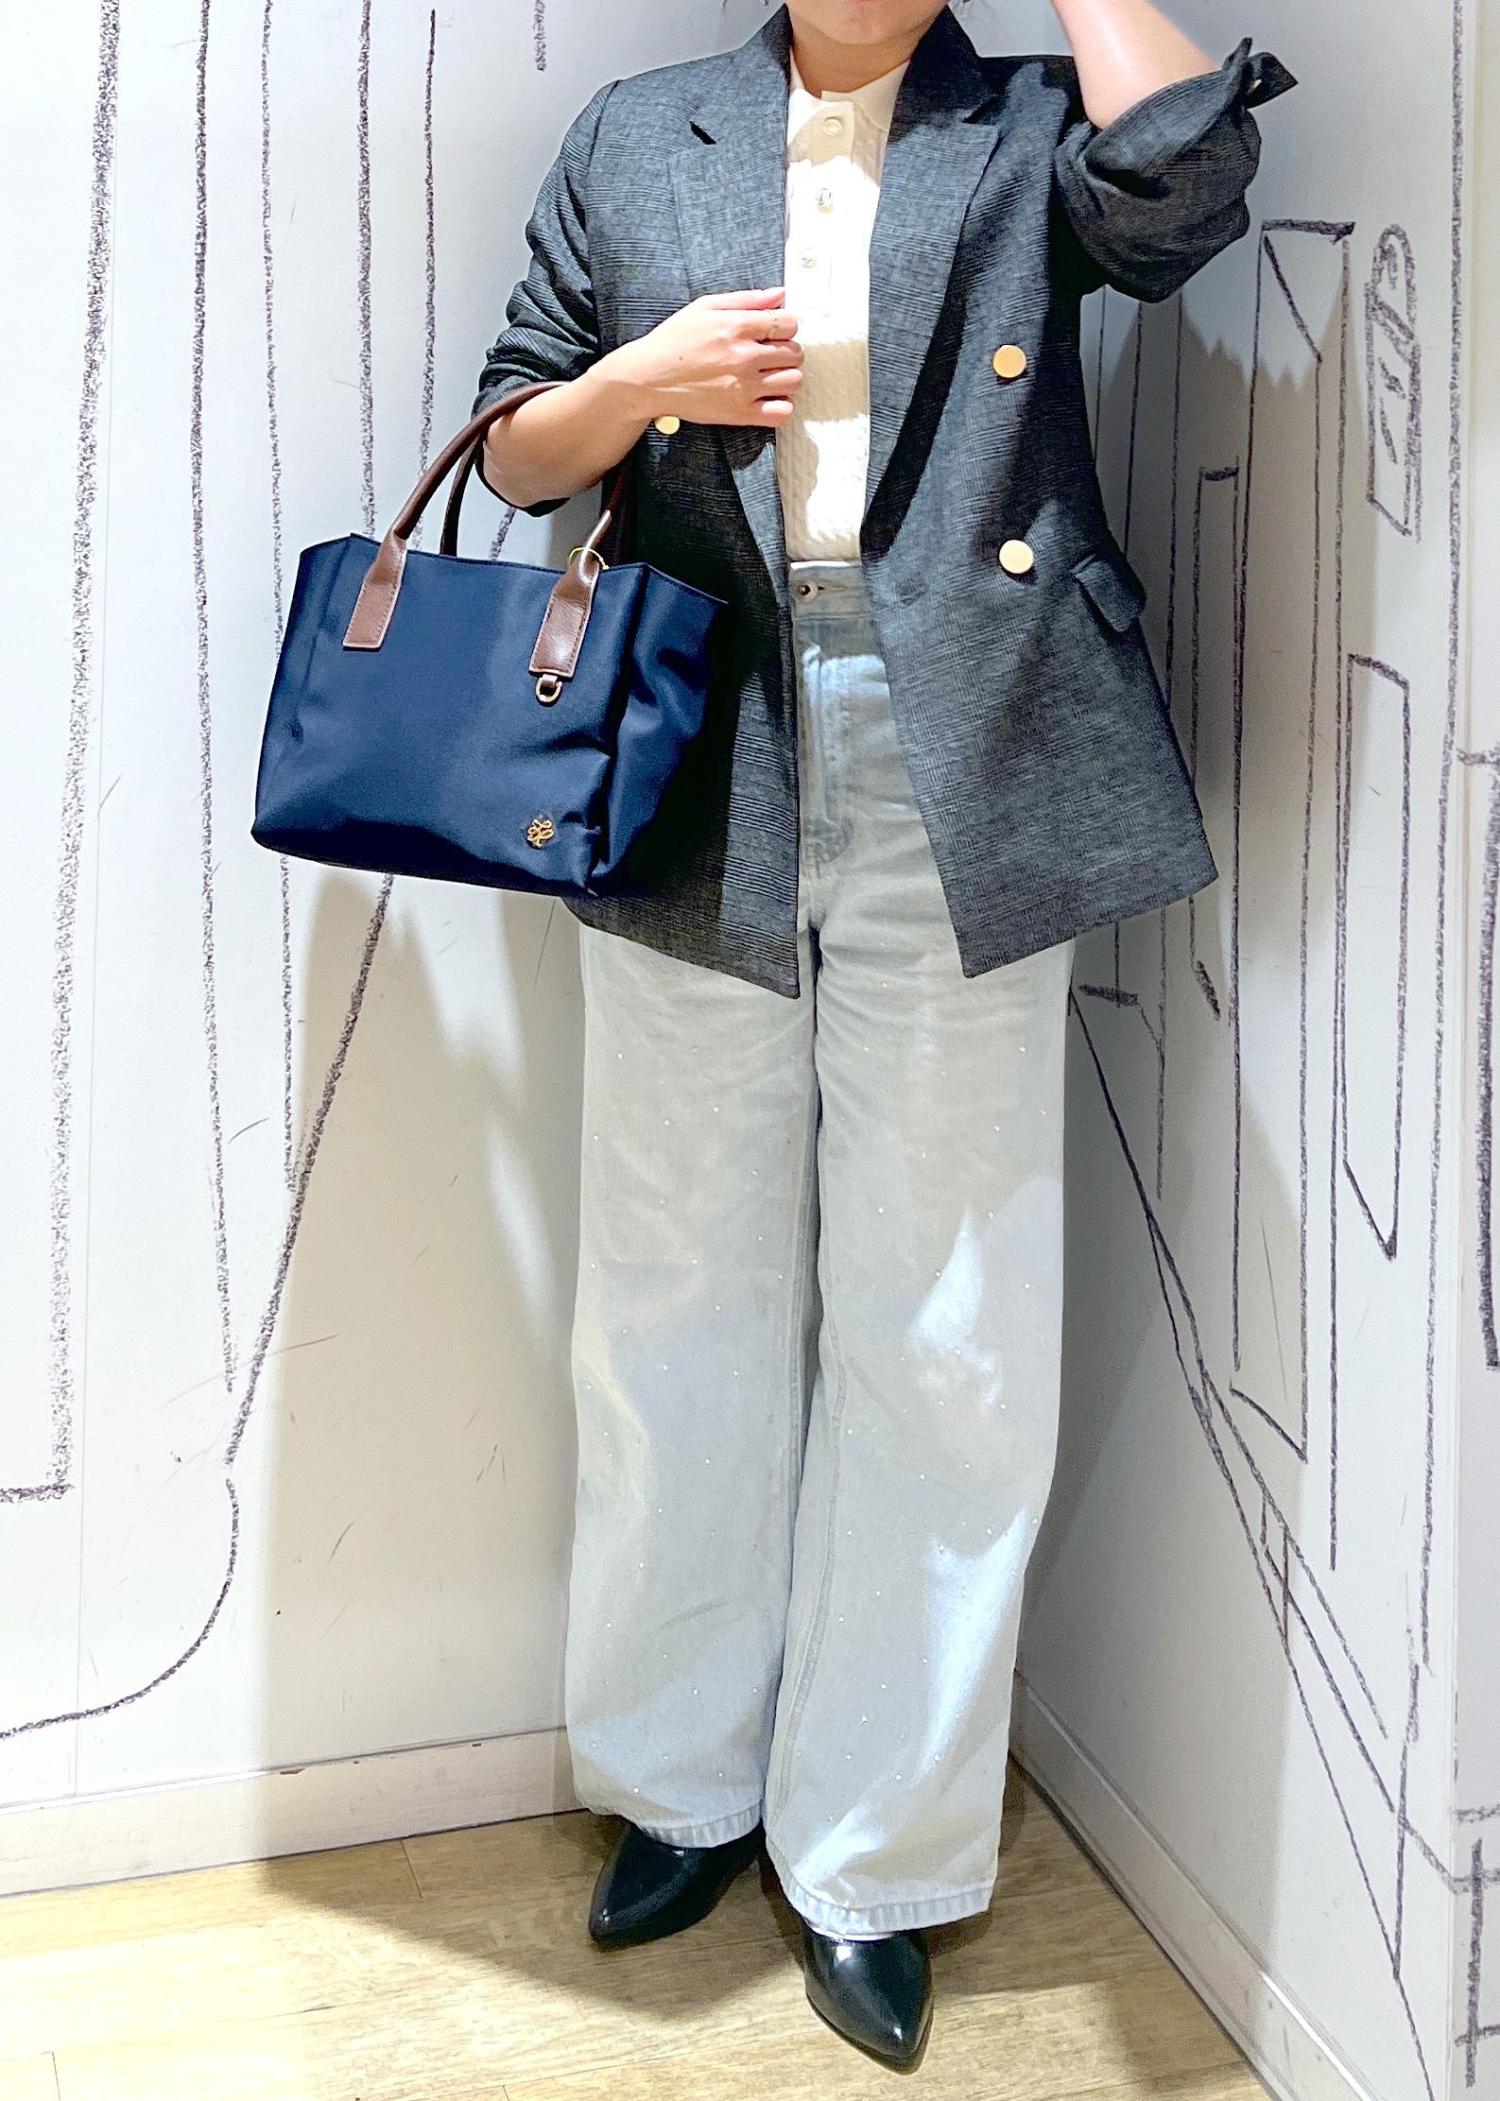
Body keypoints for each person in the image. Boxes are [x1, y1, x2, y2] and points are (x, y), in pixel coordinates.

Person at [472, 0, 1294, 2067]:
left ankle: (877, 1852)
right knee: (674, 1290)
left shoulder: (1019, 126)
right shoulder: (645, 131)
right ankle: (678, 1782)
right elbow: (509, 443)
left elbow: (1188, 183)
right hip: (696, 740)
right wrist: (639, 387)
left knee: (950, 1321)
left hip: (972, 742)